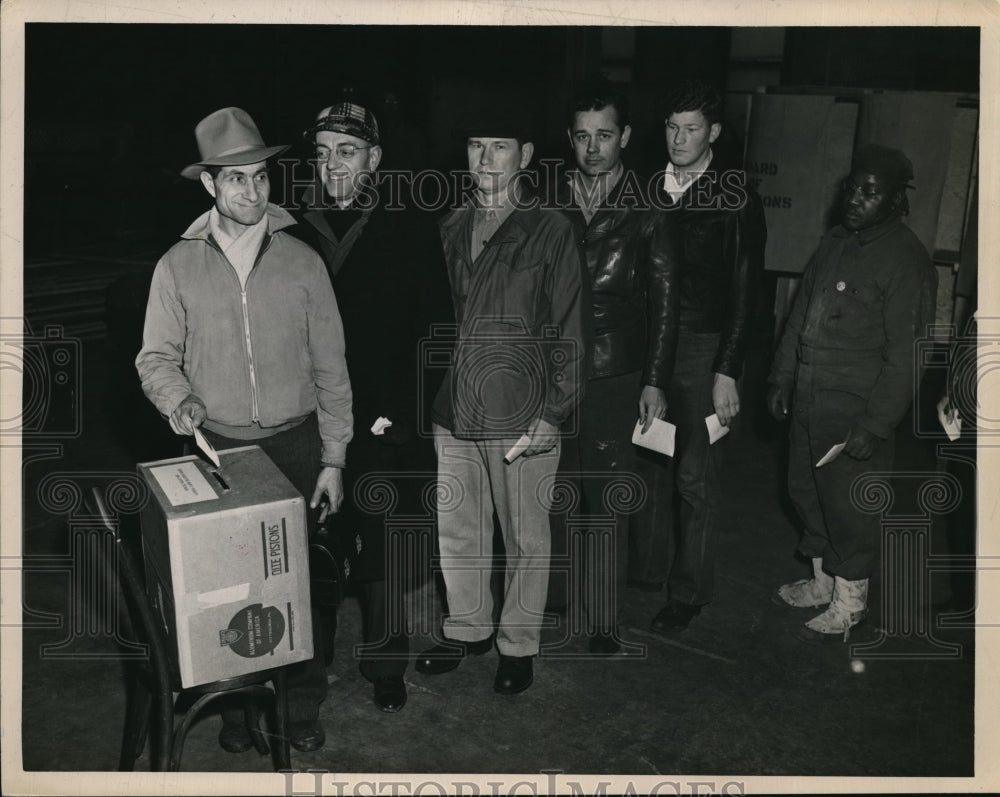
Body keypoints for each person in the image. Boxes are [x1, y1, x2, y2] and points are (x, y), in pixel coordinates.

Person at [136, 107, 353, 751]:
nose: (252, 192)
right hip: (217, 450)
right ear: (209, 186)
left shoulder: (303, 261)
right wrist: (179, 400)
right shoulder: (178, 265)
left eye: (261, 178)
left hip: (296, 443)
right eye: (236, 181)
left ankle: (301, 709)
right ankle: (235, 713)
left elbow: (332, 368)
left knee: (304, 586)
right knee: (229, 591)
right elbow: (155, 357)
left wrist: (334, 457)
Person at [414, 103, 589, 694]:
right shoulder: (449, 225)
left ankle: (518, 643)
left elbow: (569, 327)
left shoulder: (552, 229)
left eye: (500, 146)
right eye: (475, 146)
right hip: (453, 404)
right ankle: (467, 627)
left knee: (526, 534)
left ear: (526, 157)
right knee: (459, 528)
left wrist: (554, 409)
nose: (485, 159)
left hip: (521, 410)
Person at [291, 97, 450, 712]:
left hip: (383, 419)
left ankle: (386, 663)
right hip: (310, 419)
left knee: (383, 541)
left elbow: (437, 328)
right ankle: (314, 654)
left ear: (375, 159)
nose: (334, 165)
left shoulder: (407, 226)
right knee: (315, 534)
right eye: (324, 153)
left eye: (349, 152)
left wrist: (403, 411)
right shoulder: (292, 227)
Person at [767, 144, 938, 643]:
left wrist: (875, 425)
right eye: (852, 187)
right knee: (805, 491)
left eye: (871, 192)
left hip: (854, 408)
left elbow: (909, 355)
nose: (855, 198)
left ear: (894, 202)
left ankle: (850, 603)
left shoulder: (906, 259)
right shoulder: (834, 243)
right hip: (808, 396)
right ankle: (823, 583)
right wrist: (780, 377)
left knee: (850, 508)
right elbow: (799, 315)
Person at [554, 84, 680, 655]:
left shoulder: (649, 207)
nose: (593, 147)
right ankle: (556, 603)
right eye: (582, 136)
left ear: (624, 137)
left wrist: (654, 380)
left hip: (616, 370)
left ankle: (603, 617)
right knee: (553, 492)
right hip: (555, 368)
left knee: (605, 496)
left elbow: (664, 302)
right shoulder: (548, 198)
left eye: (604, 135)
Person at [647, 79, 767, 633]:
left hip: (703, 348)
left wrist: (728, 369)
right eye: (671, 127)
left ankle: (689, 591)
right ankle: (647, 569)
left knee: (696, 477)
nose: (678, 138)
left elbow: (748, 291)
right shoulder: (652, 186)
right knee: (651, 463)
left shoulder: (736, 195)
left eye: (690, 129)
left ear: (713, 132)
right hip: (653, 346)